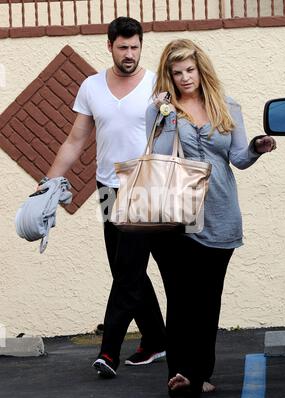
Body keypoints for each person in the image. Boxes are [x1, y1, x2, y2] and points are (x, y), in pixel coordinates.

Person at [144, 39, 277, 398]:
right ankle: (182, 374)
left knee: (207, 301)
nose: (185, 78)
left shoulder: (227, 106)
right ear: (168, 76)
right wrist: (167, 117)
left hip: (220, 214)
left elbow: (237, 157)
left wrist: (256, 148)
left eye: (190, 70)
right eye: (177, 72)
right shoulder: (159, 110)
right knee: (182, 298)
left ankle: (200, 372)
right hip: (176, 219)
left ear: (201, 70)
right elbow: (157, 156)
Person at [39, 17, 166, 373]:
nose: (129, 54)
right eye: (123, 47)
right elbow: (75, 140)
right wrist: (50, 180)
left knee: (127, 270)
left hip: (146, 187)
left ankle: (108, 351)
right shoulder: (91, 86)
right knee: (125, 268)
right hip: (108, 187)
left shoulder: (158, 85)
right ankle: (156, 339)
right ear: (109, 46)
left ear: (141, 46)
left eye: (135, 47)